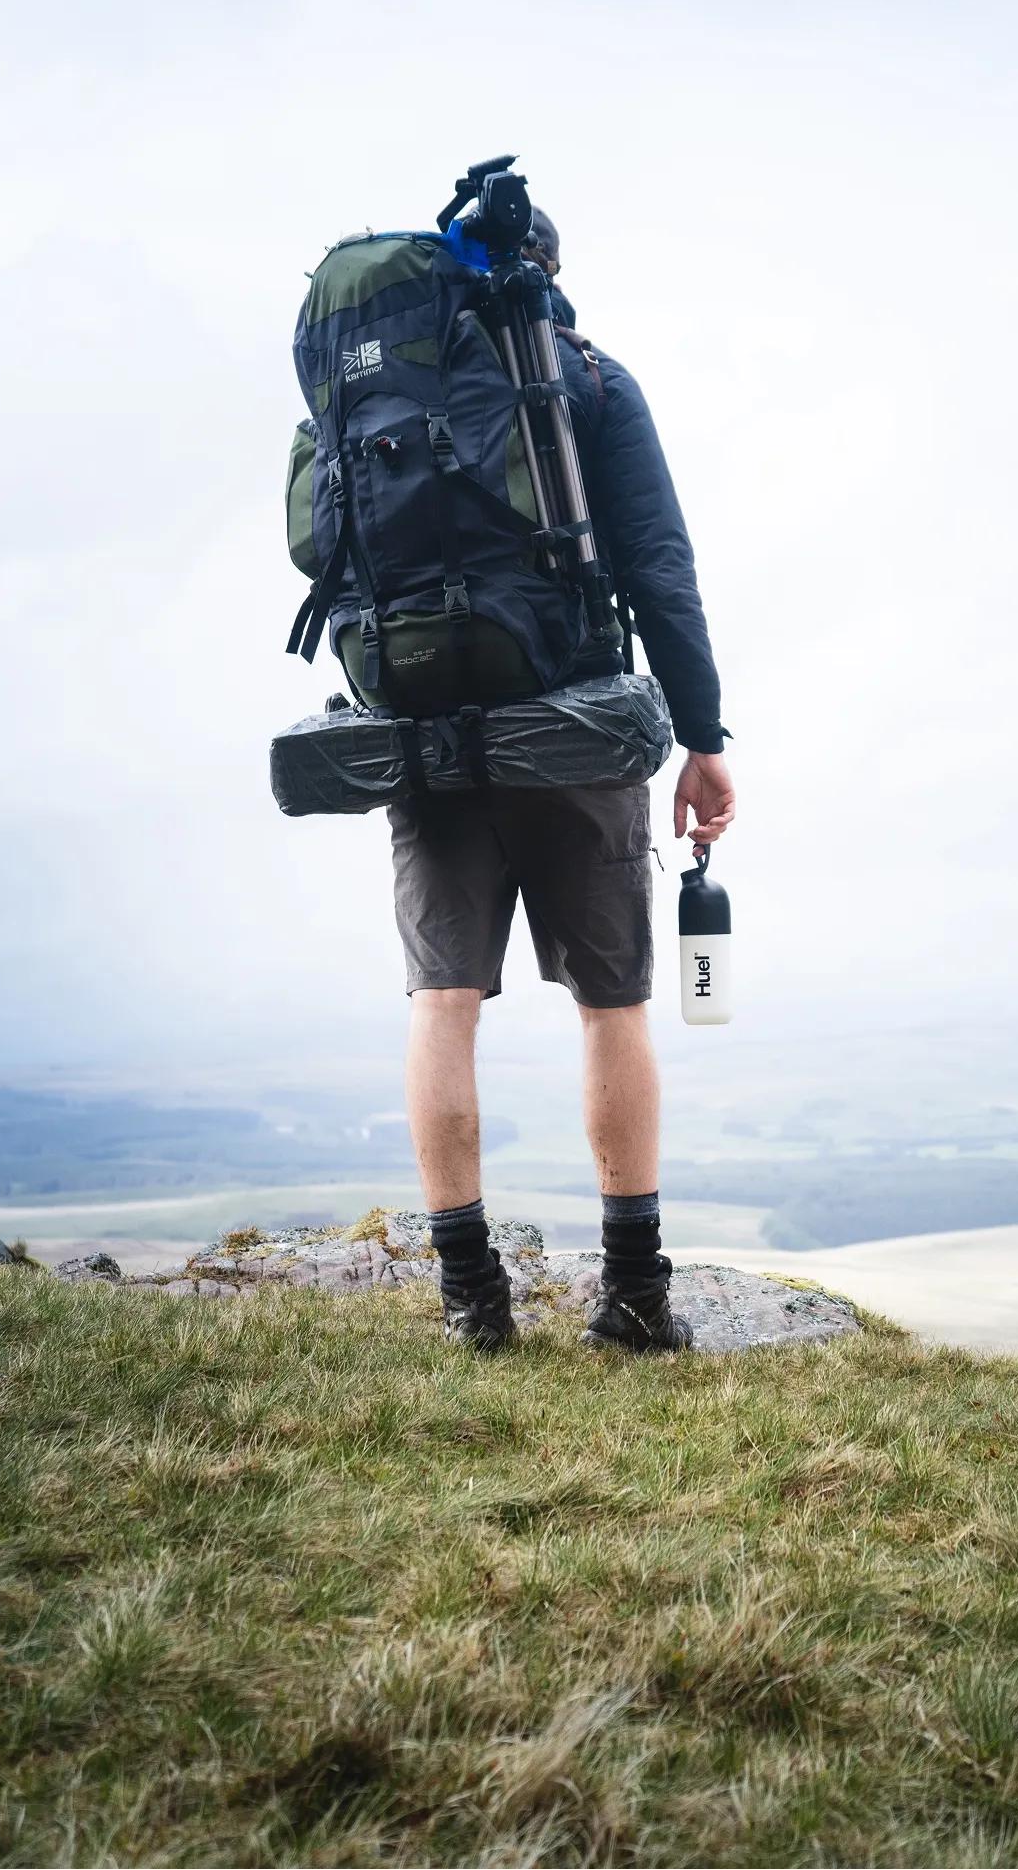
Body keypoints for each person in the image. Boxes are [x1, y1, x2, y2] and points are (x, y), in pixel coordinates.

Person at [391, 207, 736, 1354]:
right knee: (611, 1003)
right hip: (575, 728)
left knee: (443, 999)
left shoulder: (397, 387)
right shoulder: (589, 381)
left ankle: (468, 1302)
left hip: (428, 730)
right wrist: (703, 734)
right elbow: (660, 566)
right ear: (550, 276)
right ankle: (634, 1300)